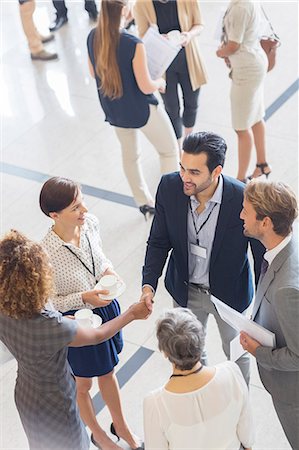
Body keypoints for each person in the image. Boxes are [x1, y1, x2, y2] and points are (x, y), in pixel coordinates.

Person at [0, 230, 149, 450]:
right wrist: (131, 314)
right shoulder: (50, 325)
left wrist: (63, 320)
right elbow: (97, 335)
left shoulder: (6, 307)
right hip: (57, 401)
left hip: (25, 393)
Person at [140, 131, 265, 384]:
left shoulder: (242, 198)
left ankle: (239, 403)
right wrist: (148, 284)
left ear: (216, 171)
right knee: (190, 354)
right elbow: (158, 241)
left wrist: (261, 311)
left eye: (194, 173)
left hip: (229, 296)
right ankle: (205, 394)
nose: (185, 177)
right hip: (185, 290)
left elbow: (261, 257)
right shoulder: (169, 187)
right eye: (182, 168)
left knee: (237, 354)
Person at [40, 177, 143, 450]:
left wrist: (108, 271)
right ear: (55, 215)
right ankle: (98, 432)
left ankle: (120, 426)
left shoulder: (90, 223)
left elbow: (100, 256)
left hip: (105, 309)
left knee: (108, 372)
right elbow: (50, 302)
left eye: (82, 200)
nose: (84, 209)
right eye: (75, 207)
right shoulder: (46, 253)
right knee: (83, 383)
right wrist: (83, 297)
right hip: (78, 320)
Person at [87, 0, 179, 218]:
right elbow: (146, 85)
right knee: (169, 151)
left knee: (130, 155)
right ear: (125, 9)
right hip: (141, 109)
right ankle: (168, 202)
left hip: (114, 108)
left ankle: (143, 201)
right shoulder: (133, 43)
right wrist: (159, 83)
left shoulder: (92, 36)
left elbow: (93, 73)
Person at [239, 180, 299, 449]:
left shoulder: (286, 289)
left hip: (292, 394)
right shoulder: (287, 249)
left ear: (265, 223)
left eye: (246, 210)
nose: (241, 215)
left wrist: (257, 351)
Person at [144, 308, 254, 449]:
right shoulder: (231, 373)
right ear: (201, 342)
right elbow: (247, 436)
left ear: (165, 352)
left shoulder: (155, 403)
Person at [134, 0, 208, 149]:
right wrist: (157, 38)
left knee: (192, 103)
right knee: (171, 108)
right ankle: (178, 147)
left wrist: (189, 35)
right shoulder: (142, 4)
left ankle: (188, 142)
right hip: (163, 65)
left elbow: (199, 24)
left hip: (188, 60)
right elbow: (142, 34)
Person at [216, 0, 270, 182]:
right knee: (255, 116)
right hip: (254, 62)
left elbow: (234, 45)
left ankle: (240, 179)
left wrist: (221, 52)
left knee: (241, 127)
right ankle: (262, 164)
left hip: (246, 71)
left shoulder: (240, 7)